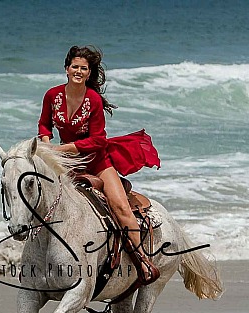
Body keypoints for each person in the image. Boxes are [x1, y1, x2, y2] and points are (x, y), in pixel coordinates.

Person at [38, 45, 161, 285]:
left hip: (97, 162)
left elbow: (97, 140)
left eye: (84, 68)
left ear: (89, 73)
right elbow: (44, 124)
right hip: (66, 164)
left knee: (121, 207)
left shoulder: (93, 100)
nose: (79, 71)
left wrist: (59, 149)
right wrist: (45, 145)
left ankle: (142, 260)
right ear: (66, 69)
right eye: (75, 66)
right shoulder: (52, 95)